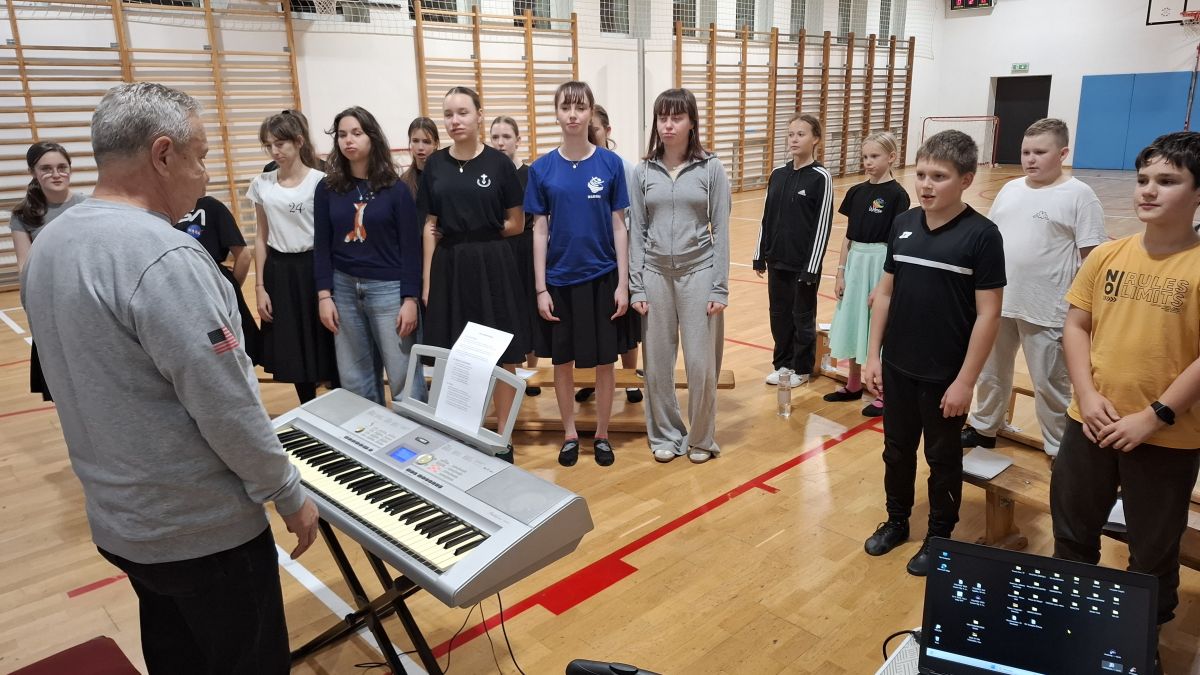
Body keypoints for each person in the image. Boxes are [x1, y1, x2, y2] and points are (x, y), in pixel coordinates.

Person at [20, 82, 318, 675]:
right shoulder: (164, 256)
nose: (204, 175)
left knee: (176, 655)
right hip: (201, 531)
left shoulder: (51, 243)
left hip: (120, 520)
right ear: (163, 155)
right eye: (200, 157)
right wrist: (287, 493)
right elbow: (226, 404)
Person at [1051, 131, 1200, 643]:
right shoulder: (1107, 256)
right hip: (1089, 423)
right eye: (1143, 180)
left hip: (1165, 436)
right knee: (1072, 535)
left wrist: (1155, 415)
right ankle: (1070, 634)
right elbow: (1076, 325)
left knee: (1152, 551)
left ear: (1198, 194)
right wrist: (1087, 396)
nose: (1148, 191)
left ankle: (1139, 645)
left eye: (1168, 181)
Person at [861, 130, 1005, 576]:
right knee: (896, 451)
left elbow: (989, 315)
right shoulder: (903, 223)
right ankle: (897, 520)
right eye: (921, 174)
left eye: (939, 176)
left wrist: (965, 381)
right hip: (898, 365)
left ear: (966, 180)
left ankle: (939, 536)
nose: (926, 184)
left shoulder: (982, 236)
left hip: (945, 375)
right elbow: (885, 293)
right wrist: (872, 356)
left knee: (942, 459)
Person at [961, 119, 1107, 457]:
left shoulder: (1080, 196)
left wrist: (1084, 312)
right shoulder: (1011, 189)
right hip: (999, 302)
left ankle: (1059, 448)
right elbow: (990, 241)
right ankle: (984, 429)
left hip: (1048, 309)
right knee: (990, 373)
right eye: (1026, 151)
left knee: (1050, 383)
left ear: (1063, 153)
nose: (1030, 159)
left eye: (1040, 152)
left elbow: (1093, 259)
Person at [526, 80, 631, 467]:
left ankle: (602, 434)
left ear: (590, 113)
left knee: (605, 362)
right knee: (562, 362)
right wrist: (541, 288)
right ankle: (569, 433)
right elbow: (540, 230)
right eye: (566, 107)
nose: (573, 114)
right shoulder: (542, 168)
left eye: (580, 107)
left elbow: (619, 225)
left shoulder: (610, 164)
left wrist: (623, 283)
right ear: (556, 113)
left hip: (603, 277)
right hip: (559, 280)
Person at [421, 88, 528, 462]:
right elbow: (430, 226)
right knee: (454, 353)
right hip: (449, 266)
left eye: (463, 112)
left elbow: (517, 223)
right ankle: (462, 431)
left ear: (479, 115)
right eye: (448, 114)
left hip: (492, 264)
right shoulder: (435, 165)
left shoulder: (499, 165)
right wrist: (428, 281)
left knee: (501, 354)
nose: (455, 120)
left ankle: (503, 438)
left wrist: (481, 236)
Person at [628, 88, 731, 464]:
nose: (668, 125)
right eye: (662, 118)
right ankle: (666, 434)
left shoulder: (711, 168)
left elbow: (721, 229)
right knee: (656, 366)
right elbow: (637, 231)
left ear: (691, 122)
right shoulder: (643, 171)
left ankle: (702, 438)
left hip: (699, 273)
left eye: (676, 117)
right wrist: (636, 285)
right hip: (655, 275)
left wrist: (719, 287)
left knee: (701, 365)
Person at [314, 106, 427, 407]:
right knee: (355, 381)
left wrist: (410, 299)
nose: (348, 140)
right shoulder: (326, 189)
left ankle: (414, 437)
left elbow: (411, 249)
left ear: (372, 137)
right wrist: (324, 295)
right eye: (342, 135)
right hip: (344, 289)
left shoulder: (396, 189)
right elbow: (321, 245)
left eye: (356, 133)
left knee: (404, 379)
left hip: (388, 291)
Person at [248, 110, 336, 404]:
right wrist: (260, 286)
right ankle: (306, 406)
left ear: (298, 142)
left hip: (314, 266)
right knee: (293, 344)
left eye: (281, 143)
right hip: (280, 271)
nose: (275, 151)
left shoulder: (321, 181)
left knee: (325, 339)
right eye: (269, 145)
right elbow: (261, 236)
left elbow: (329, 235)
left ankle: (337, 402)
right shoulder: (262, 183)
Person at [822, 132, 909, 417]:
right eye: (865, 157)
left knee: (875, 325)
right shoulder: (856, 192)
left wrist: (884, 284)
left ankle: (883, 391)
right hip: (856, 262)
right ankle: (853, 383)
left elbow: (896, 242)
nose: (868, 162)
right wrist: (840, 273)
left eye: (875, 156)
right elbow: (848, 237)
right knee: (853, 321)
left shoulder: (897, 195)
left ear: (891, 157)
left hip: (880, 262)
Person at [752, 113, 833, 387]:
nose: (794, 139)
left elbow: (822, 225)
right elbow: (766, 217)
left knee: (802, 317)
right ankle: (783, 364)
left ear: (816, 139)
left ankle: (801, 367)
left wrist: (811, 267)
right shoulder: (778, 174)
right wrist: (759, 255)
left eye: (801, 134)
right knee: (779, 316)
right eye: (790, 134)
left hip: (803, 265)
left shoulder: (821, 177)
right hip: (777, 260)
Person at [576, 103, 643, 405]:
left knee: (624, 326)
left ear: (607, 130)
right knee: (592, 326)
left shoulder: (623, 168)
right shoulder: (575, 166)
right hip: (587, 259)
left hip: (619, 259)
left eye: (594, 128)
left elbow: (633, 219)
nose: (590, 133)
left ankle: (629, 380)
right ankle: (594, 379)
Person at [9, 141, 86, 402]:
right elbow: (25, 266)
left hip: (86, 306)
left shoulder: (87, 205)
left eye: (62, 167)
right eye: (46, 168)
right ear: (32, 172)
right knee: (64, 390)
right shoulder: (23, 215)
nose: (56, 174)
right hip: (52, 310)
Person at [490, 114, 541, 398]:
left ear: (518, 140)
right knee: (507, 309)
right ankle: (511, 370)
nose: (500, 143)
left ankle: (531, 372)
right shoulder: (489, 174)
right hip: (499, 247)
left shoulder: (530, 174)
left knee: (529, 307)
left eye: (506, 137)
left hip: (527, 247)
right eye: (495, 137)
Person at [176, 196, 261, 364]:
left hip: (212, 289)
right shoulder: (166, 210)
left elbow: (243, 256)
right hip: (181, 292)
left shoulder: (211, 206)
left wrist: (228, 291)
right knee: (200, 350)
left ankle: (236, 373)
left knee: (225, 346)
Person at [400, 116, 439, 229]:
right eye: (415, 141)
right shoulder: (403, 181)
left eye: (426, 142)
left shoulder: (444, 177)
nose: (420, 147)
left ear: (435, 144)